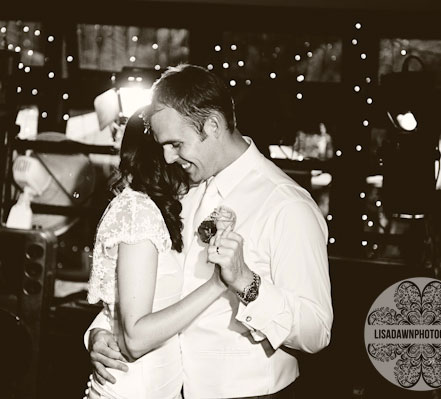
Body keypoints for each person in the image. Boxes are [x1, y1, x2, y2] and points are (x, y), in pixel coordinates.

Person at [86, 64, 333, 399]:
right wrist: (101, 333)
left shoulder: (286, 205)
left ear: (213, 126)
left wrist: (247, 282)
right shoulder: (180, 191)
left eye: (176, 144)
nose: (168, 158)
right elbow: (153, 286)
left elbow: (317, 331)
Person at [84, 107, 229, 399]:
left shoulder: (161, 209)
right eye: (172, 146)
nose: (177, 156)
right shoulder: (139, 212)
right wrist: (219, 284)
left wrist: (97, 331)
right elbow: (135, 337)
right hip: (135, 389)